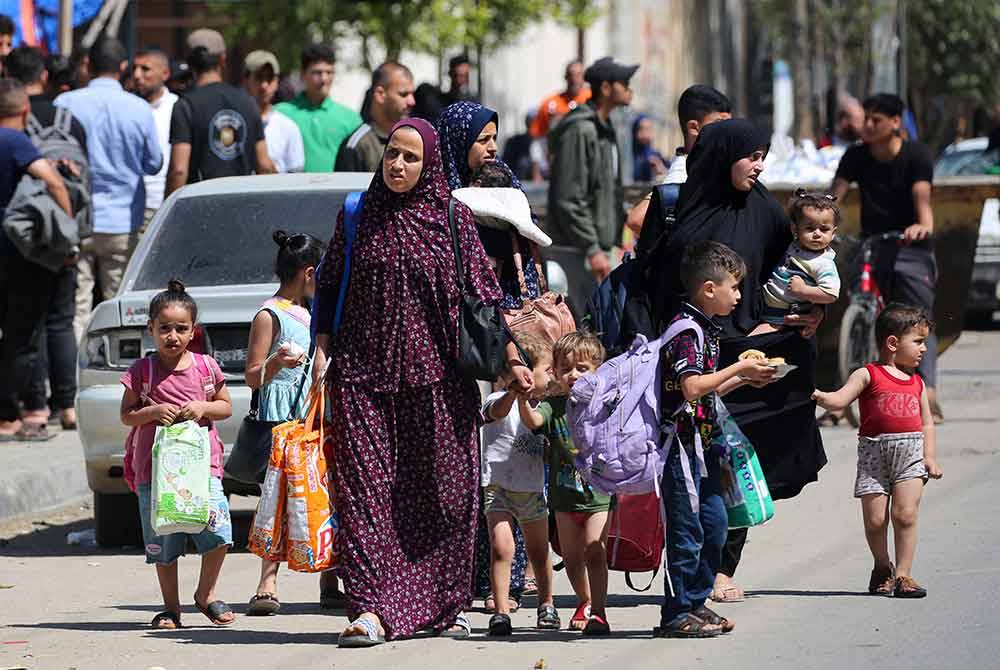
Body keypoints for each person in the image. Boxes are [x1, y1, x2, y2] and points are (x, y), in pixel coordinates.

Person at [315, 118, 501, 645]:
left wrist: (513, 361)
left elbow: (484, 296)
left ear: (431, 164)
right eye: (392, 154)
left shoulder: (452, 219)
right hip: (361, 377)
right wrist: (323, 346)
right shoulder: (356, 215)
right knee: (365, 494)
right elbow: (329, 285)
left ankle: (441, 606)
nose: (397, 165)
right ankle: (370, 609)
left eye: (410, 158)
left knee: (442, 492)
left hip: (439, 381)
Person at [646, 119, 827, 604]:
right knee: (691, 473)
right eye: (751, 154)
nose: (759, 164)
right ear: (724, 155)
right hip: (687, 356)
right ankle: (690, 576)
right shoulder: (677, 208)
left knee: (740, 463)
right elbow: (650, 284)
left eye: (764, 154)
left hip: (747, 351)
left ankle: (722, 567)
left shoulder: (764, 209)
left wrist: (808, 314)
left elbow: (790, 270)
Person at [436, 100, 540, 608]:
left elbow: (526, 271)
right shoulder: (434, 202)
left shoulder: (505, 189)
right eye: (482, 139)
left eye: (494, 137)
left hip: (499, 345)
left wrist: (518, 348)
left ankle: (506, 579)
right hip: (452, 352)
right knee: (460, 468)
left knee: (503, 464)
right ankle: (464, 577)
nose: (492, 147)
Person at [653, 241, 777, 638]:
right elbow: (691, 388)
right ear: (710, 288)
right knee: (686, 531)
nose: (739, 296)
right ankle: (675, 613)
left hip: (705, 446)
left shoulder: (706, 329)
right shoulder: (685, 330)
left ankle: (695, 601)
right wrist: (737, 367)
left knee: (715, 524)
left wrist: (745, 377)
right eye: (734, 288)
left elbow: (705, 393)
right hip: (679, 448)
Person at [119, 280, 234, 629]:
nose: (173, 336)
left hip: (202, 470)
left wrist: (203, 406)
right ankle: (171, 608)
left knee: (219, 532)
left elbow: (225, 407)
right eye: (164, 328)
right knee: (163, 542)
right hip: (155, 472)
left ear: (193, 331)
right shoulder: (143, 371)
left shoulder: (206, 368)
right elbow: (127, 415)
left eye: (181, 329)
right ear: (150, 328)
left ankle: (206, 594)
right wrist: (152, 413)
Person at [813, 304, 943, 598]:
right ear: (893, 343)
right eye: (918, 341)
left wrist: (930, 456)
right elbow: (839, 401)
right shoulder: (867, 374)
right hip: (874, 456)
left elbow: (926, 424)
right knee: (875, 521)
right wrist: (817, 395)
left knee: (905, 514)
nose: (924, 349)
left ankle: (904, 575)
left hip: (910, 454)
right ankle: (882, 566)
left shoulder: (917, 383)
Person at [832, 93, 942, 423]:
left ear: (895, 123)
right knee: (857, 304)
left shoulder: (916, 156)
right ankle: (846, 391)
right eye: (865, 118)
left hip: (910, 245)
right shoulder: (855, 156)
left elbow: (923, 202)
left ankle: (929, 394)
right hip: (873, 242)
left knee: (916, 318)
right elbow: (834, 195)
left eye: (875, 120)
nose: (866, 125)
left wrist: (922, 227)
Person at [54, 37, 162, 340]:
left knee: (77, 307)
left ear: (87, 64)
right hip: (122, 221)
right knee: (120, 306)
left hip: (75, 218)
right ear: (124, 67)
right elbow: (153, 163)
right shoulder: (140, 109)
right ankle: (117, 379)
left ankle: (73, 379)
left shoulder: (65, 104)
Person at [4, 45, 88, 433]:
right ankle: (53, 407)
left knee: (22, 327)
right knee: (52, 321)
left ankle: (22, 408)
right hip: (35, 247)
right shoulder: (24, 139)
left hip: (18, 248)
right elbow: (54, 182)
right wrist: (68, 233)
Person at [244, 230, 326, 616]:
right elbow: (251, 376)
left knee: (324, 497)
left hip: (314, 416)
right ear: (308, 273)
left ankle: (331, 580)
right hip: (280, 422)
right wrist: (277, 363)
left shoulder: (315, 314)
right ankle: (267, 583)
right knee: (276, 502)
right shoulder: (269, 315)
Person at [520, 331, 611, 635]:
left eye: (582, 368)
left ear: (599, 368)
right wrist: (522, 398)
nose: (573, 375)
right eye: (566, 368)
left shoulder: (606, 405)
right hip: (564, 498)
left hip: (599, 494)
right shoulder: (554, 406)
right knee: (571, 558)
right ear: (555, 372)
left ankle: (598, 611)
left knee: (594, 549)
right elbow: (534, 422)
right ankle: (584, 601)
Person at [481, 333, 559, 637]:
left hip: (531, 488)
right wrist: (514, 393)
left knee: (539, 552)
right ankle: (501, 612)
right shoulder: (496, 400)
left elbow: (539, 429)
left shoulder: (544, 409)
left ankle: (546, 604)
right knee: (502, 548)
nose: (551, 374)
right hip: (497, 487)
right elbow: (496, 413)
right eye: (546, 369)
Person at [547, 57, 638, 315]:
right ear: (606, 88)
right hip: (578, 250)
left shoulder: (604, 128)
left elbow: (607, 191)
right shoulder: (581, 130)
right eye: (624, 83)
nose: (630, 89)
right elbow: (569, 198)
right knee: (583, 328)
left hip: (595, 247)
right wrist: (592, 249)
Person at [166, 29, 275, 195]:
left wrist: (169, 210)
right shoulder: (248, 102)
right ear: (223, 59)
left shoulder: (185, 105)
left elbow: (179, 170)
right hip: (243, 205)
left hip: (201, 207)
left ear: (190, 63)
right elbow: (265, 165)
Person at [627, 85, 731, 240]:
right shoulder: (684, 174)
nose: (728, 131)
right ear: (694, 127)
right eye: (719, 123)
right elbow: (637, 220)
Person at [751, 189, 841, 335]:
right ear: (795, 228)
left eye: (824, 229)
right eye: (810, 228)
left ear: (833, 233)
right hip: (765, 311)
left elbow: (830, 293)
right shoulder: (793, 246)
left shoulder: (823, 263)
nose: (817, 234)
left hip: (782, 320)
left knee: (749, 343)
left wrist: (803, 290)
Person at [275, 45, 362, 172]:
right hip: (293, 190)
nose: (324, 79)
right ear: (302, 75)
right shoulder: (281, 114)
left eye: (329, 72)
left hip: (338, 190)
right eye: (317, 72)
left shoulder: (351, 119)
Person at [335, 62, 415, 172]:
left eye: (412, 94)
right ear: (380, 94)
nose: (412, 101)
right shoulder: (358, 145)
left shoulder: (414, 140)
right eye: (403, 94)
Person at [132, 48, 178, 226]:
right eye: (134, 68)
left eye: (145, 69)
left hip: (160, 203)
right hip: (131, 206)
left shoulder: (177, 107)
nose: (137, 75)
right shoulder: (127, 106)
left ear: (165, 73)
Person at [242, 50, 304, 174]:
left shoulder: (288, 127)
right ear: (246, 80)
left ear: (276, 82)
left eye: (269, 78)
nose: (264, 85)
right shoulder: (234, 122)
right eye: (259, 77)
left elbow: (296, 177)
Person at [530, 60, 590, 141]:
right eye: (571, 75)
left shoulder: (592, 98)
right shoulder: (550, 103)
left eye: (578, 75)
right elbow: (536, 134)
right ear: (565, 77)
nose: (574, 79)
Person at [632, 114, 668, 183]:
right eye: (641, 129)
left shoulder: (656, 156)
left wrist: (661, 169)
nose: (645, 134)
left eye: (648, 129)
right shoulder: (629, 157)